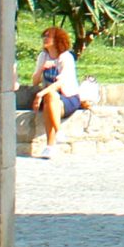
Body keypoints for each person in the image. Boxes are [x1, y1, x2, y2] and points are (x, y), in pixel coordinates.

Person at [30, 25, 88, 158]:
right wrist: (42, 68)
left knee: (50, 98)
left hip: (68, 98)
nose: (45, 39)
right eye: (44, 36)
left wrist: (40, 94)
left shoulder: (66, 57)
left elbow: (61, 83)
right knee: (50, 99)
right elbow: (35, 81)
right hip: (50, 98)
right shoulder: (43, 56)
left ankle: (51, 143)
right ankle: (55, 138)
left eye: (48, 36)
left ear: (57, 39)